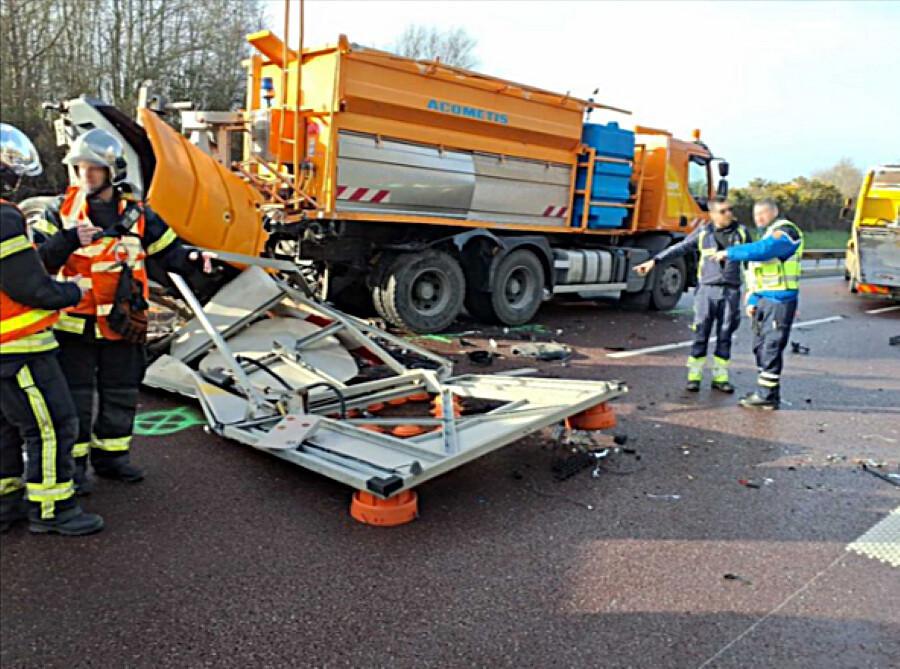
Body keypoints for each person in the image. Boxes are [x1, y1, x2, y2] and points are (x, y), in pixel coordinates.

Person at [33, 128, 214, 492]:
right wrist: (65, 241)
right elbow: (38, 263)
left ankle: (113, 458)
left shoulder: (139, 214)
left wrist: (194, 257)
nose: (86, 175)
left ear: (112, 171)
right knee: (76, 400)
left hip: (124, 324)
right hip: (76, 326)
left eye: (94, 169)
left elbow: (169, 252)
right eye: (80, 168)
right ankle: (75, 468)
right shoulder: (59, 212)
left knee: (121, 393)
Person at [0, 123, 104, 535]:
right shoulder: (5, 217)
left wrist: (65, 242)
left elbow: (23, 266)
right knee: (53, 425)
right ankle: (54, 509)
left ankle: (7, 504)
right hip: (19, 347)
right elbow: (29, 286)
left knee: (8, 430)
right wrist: (72, 292)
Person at [634, 197, 751, 392]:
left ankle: (720, 377)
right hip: (707, 290)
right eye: (723, 211)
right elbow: (679, 248)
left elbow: (751, 260)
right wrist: (654, 261)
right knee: (701, 332)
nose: (729, 214)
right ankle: (694, 376)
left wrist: (753, 291)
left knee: (725, 334)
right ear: (712, 214)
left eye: (730, 209)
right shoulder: (704, 232)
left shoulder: (742, 232)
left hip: (731, 291)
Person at [714, 198, 803, 410]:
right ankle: (769, 392)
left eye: (762, 214)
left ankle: (766, 396)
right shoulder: (767, 234)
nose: (758, 218)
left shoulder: (786, 232)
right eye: (755, 215)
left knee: (771, 347)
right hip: (764, 299)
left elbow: (765, 249)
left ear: (774, 212)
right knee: (760, 347)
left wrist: (730, 252)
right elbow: (757, 271)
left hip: (780, 300)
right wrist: (753, 298)